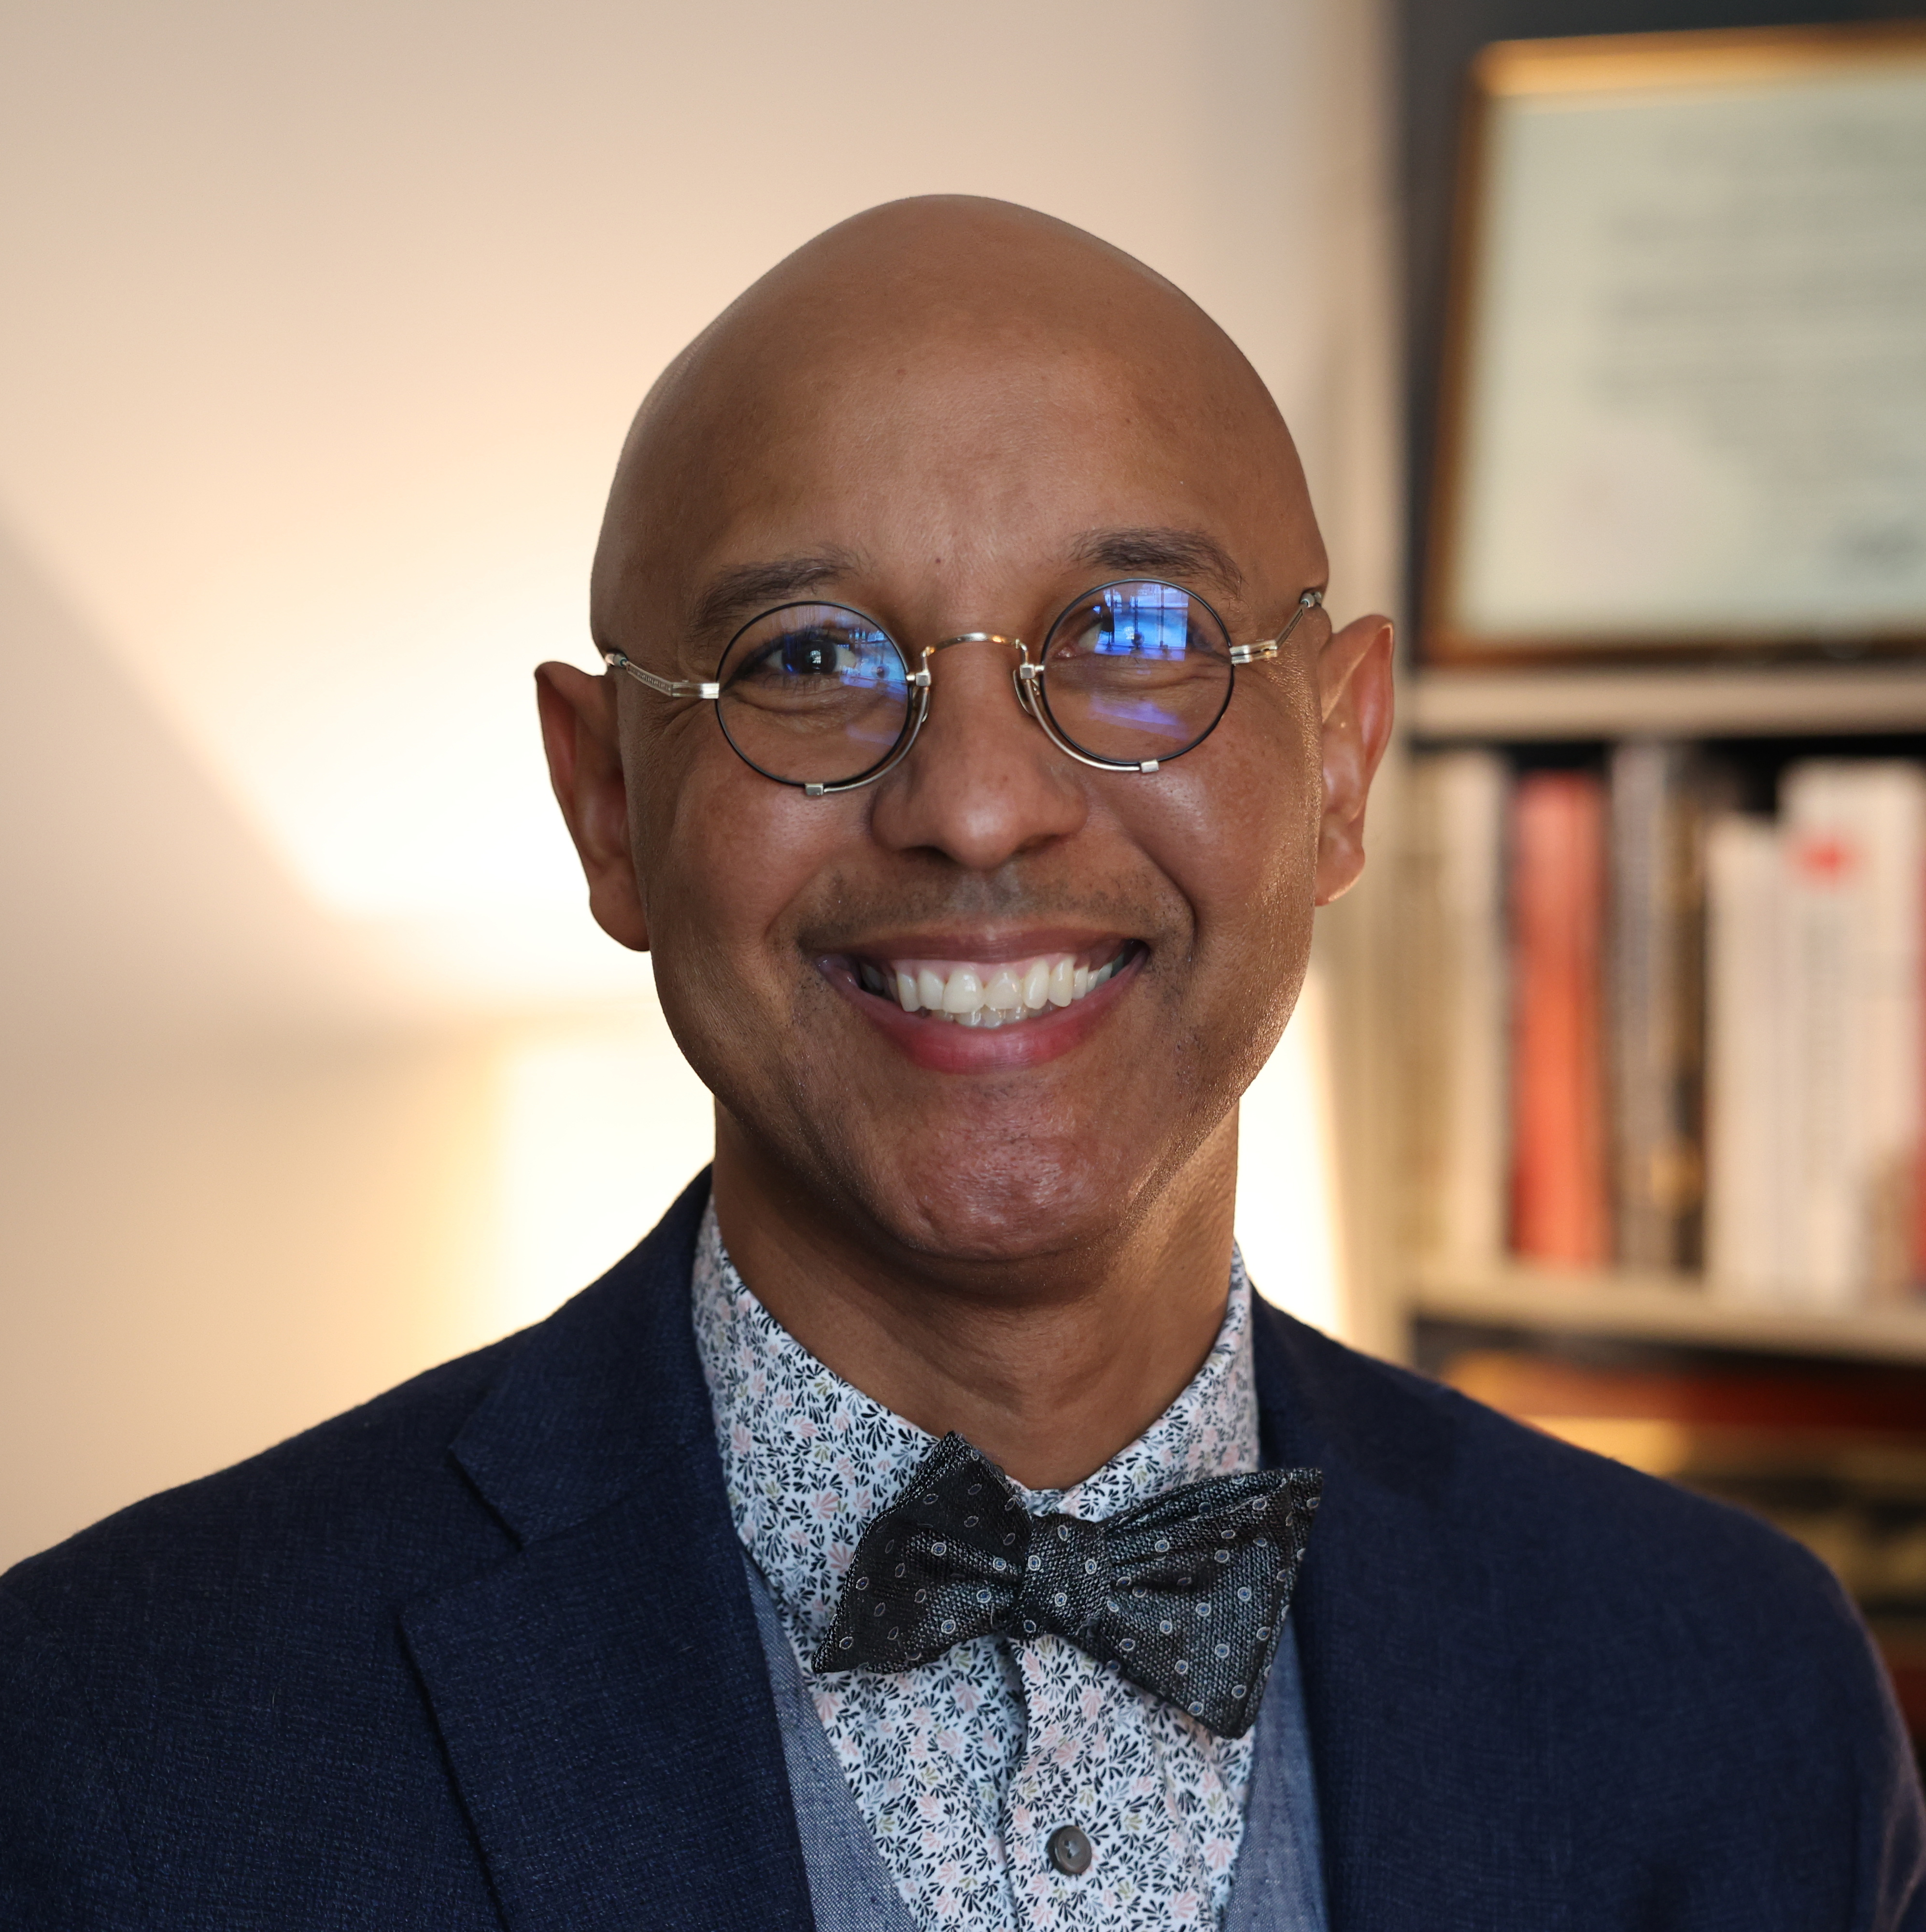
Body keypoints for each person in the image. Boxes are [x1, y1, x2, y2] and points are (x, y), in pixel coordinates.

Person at [0, 196, 1918, 1931]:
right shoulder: (113, 1736)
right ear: (606, 806)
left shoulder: (1738, 1698)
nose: (980, 805)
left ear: (1338, 763)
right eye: (808, 658)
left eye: (1134, 635)